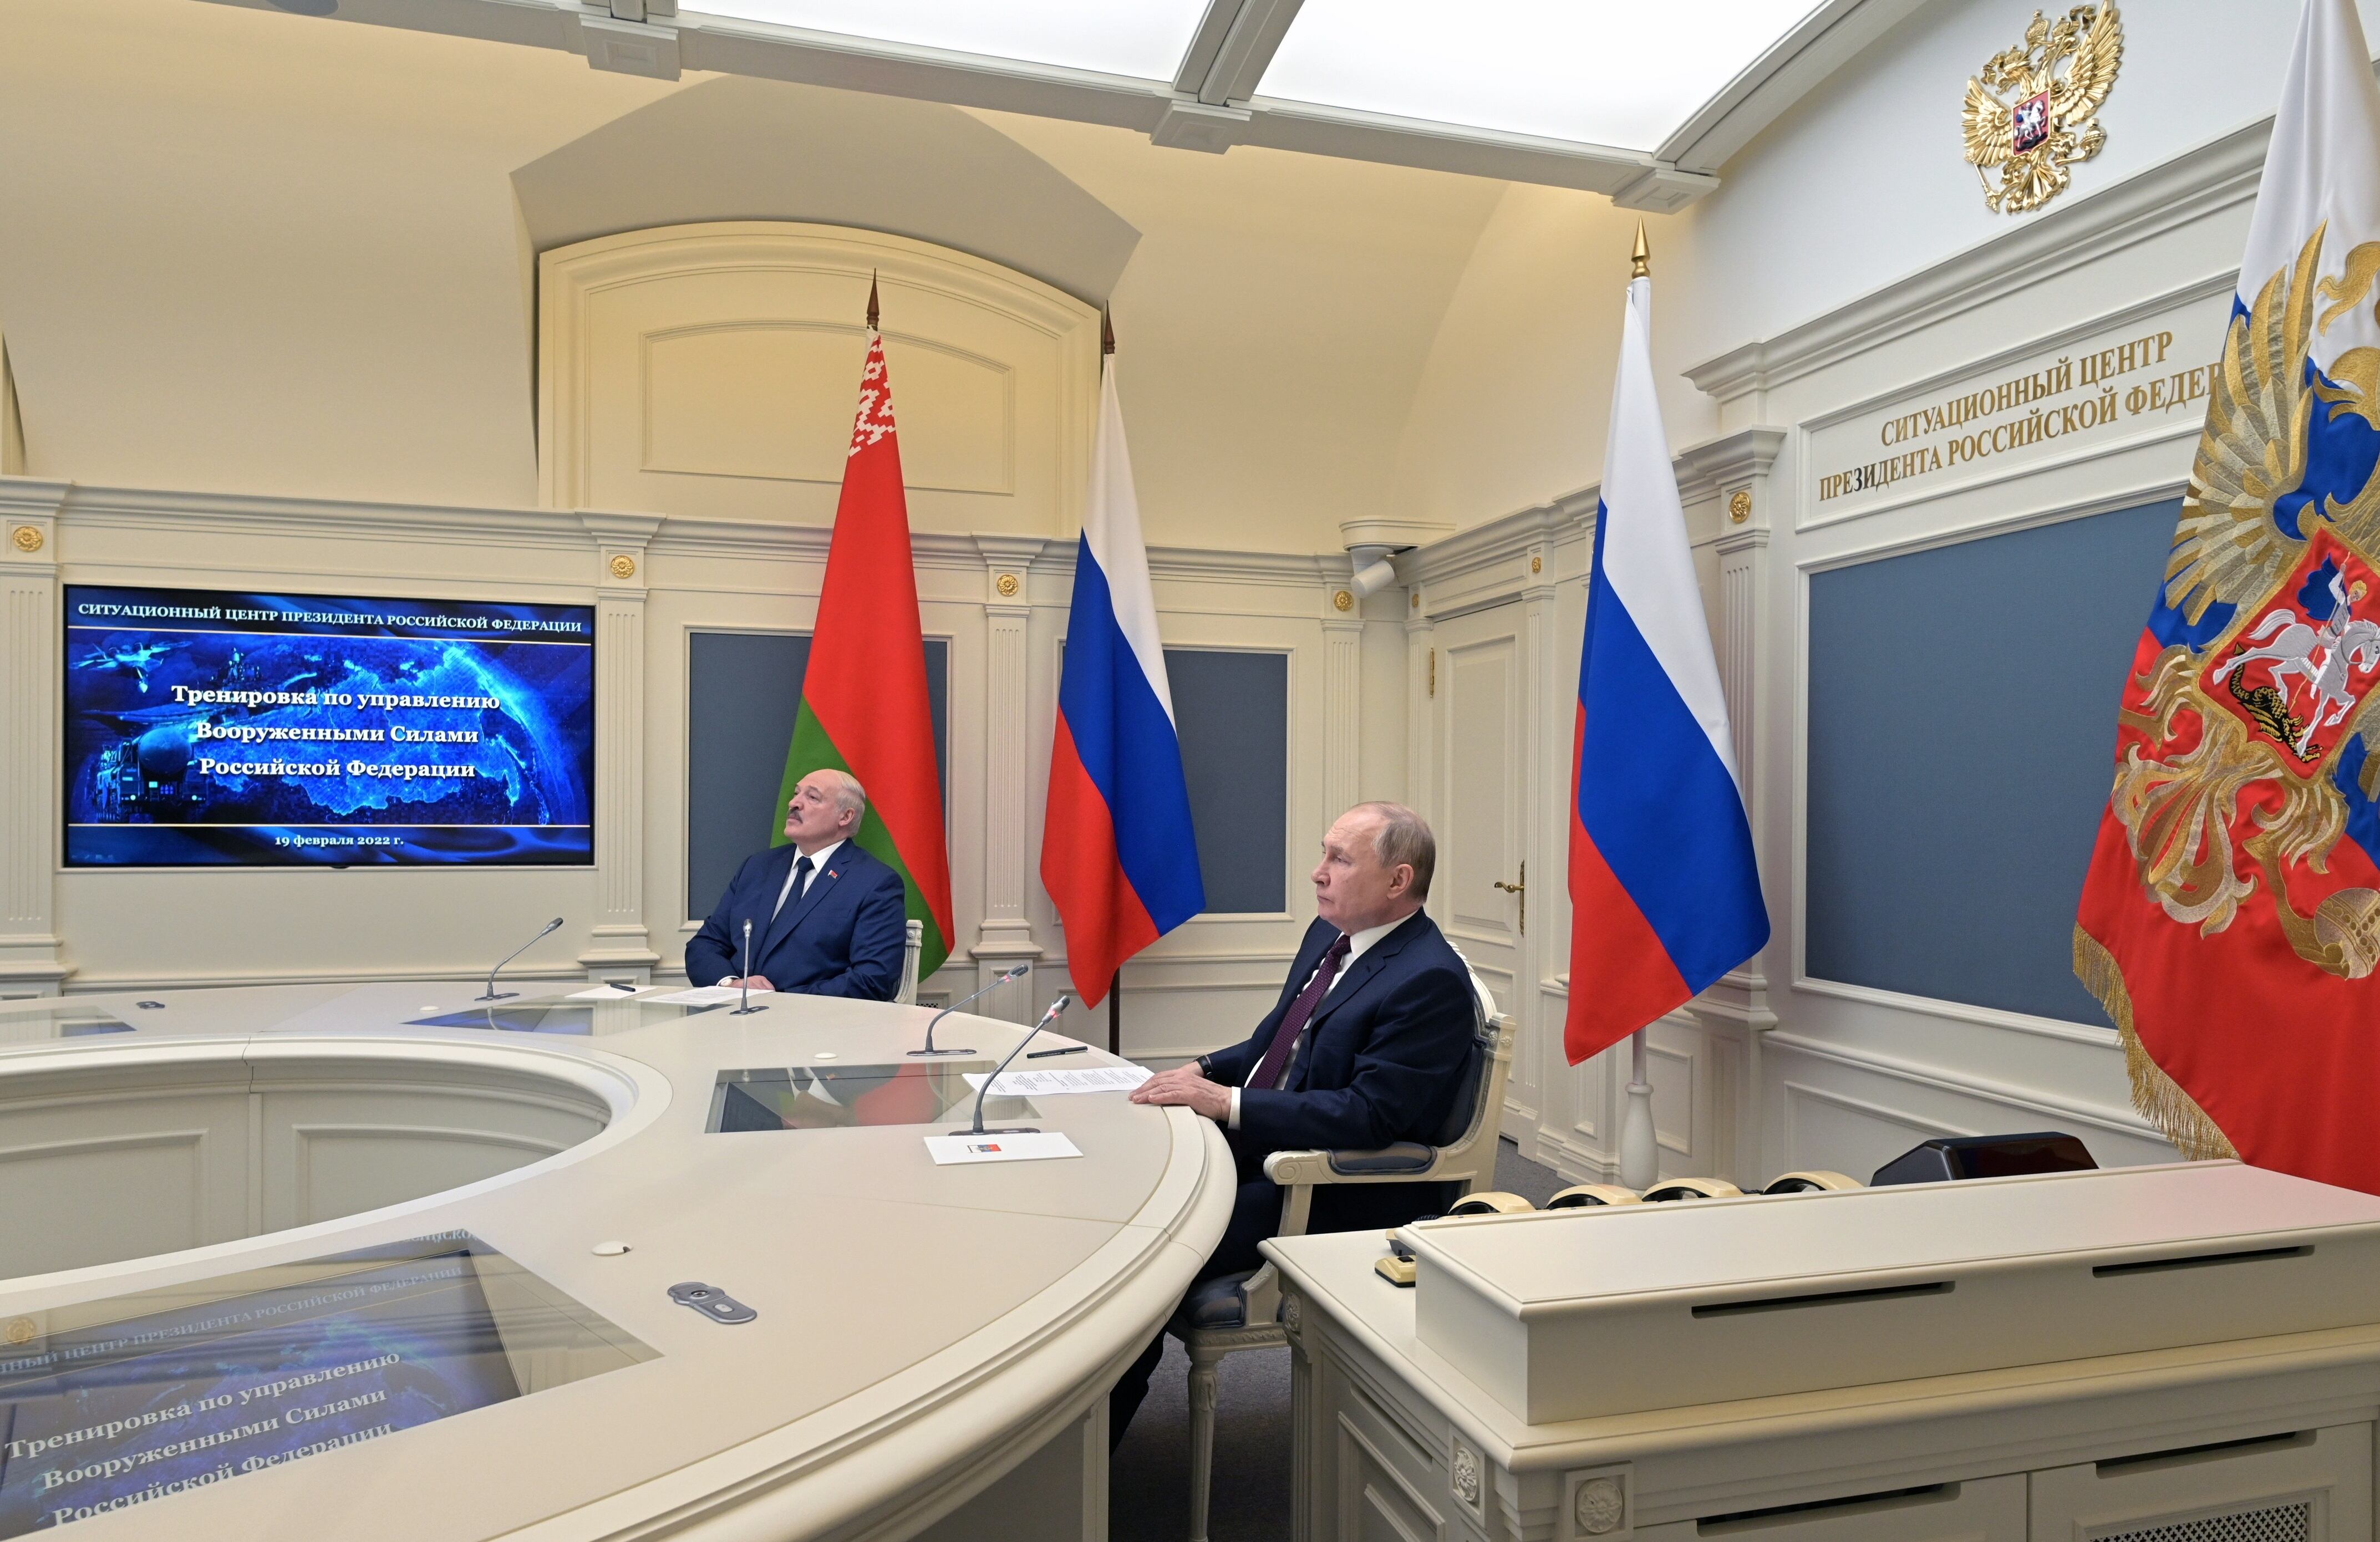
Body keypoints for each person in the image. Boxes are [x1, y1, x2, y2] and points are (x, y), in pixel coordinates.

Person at [1110, 801, 1478, 1442]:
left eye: (1339, 859)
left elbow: (1370, 1117)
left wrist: (1224, 1105)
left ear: (1397, 881)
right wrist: (1198, 1070)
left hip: (1328, 1191)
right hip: (1265, 1146)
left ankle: (1089, 1445)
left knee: (1141, 1266)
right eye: (1323, 853)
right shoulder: (1330, 936)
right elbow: (1275, 1042)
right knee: (1124, 1198)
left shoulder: (1430, 980)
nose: (1317, 873)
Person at [684, 769, 908, 999]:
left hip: (816, 1026)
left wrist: (781, 1000)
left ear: (845, 817)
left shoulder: (875, 883)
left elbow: (872, 979)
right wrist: (731, 985)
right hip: (732, 1018)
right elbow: (705, 945)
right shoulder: (758, 867)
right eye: (796, 793)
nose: (794, 803)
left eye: (812, 797)